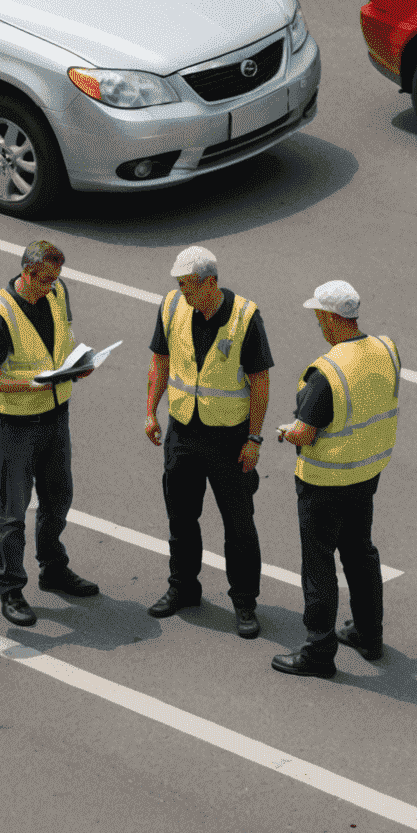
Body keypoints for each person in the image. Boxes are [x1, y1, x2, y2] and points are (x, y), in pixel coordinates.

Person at [272, 280, 400, 679]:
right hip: (366, 474)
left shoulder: (326, 373)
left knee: (319, 563)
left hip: (324, 482)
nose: (318, 325)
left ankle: (318, 651)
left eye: (318, 317)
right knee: (360, 553)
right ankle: (368, 633)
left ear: (330, 318)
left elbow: (304, 433)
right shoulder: (386, 350)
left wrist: (285, 431)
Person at [144, 246, 271, 639]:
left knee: (239, 526)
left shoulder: (245, 318)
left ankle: (245, 602)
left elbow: (260, 382)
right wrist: (150, 411)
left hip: (229, 440)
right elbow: (159, 362)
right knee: (181, 518)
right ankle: (183, 588)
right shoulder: (171, 307)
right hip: (183, 432)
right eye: (179, 285)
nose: (182, 292)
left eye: (188, 286)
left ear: (211, 283)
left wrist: (253, 438)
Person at [0, 241, 99, 627]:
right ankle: (11, 589)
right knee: (13, 512)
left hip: (56, 417)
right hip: (17, 427)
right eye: (45, 280)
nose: (51, 286)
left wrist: (79, 362)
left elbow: (63, 339)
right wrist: (31, 385)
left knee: (58, 497)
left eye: (55, 279)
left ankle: (52, 568)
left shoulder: (58, 291)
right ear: (26, 273)